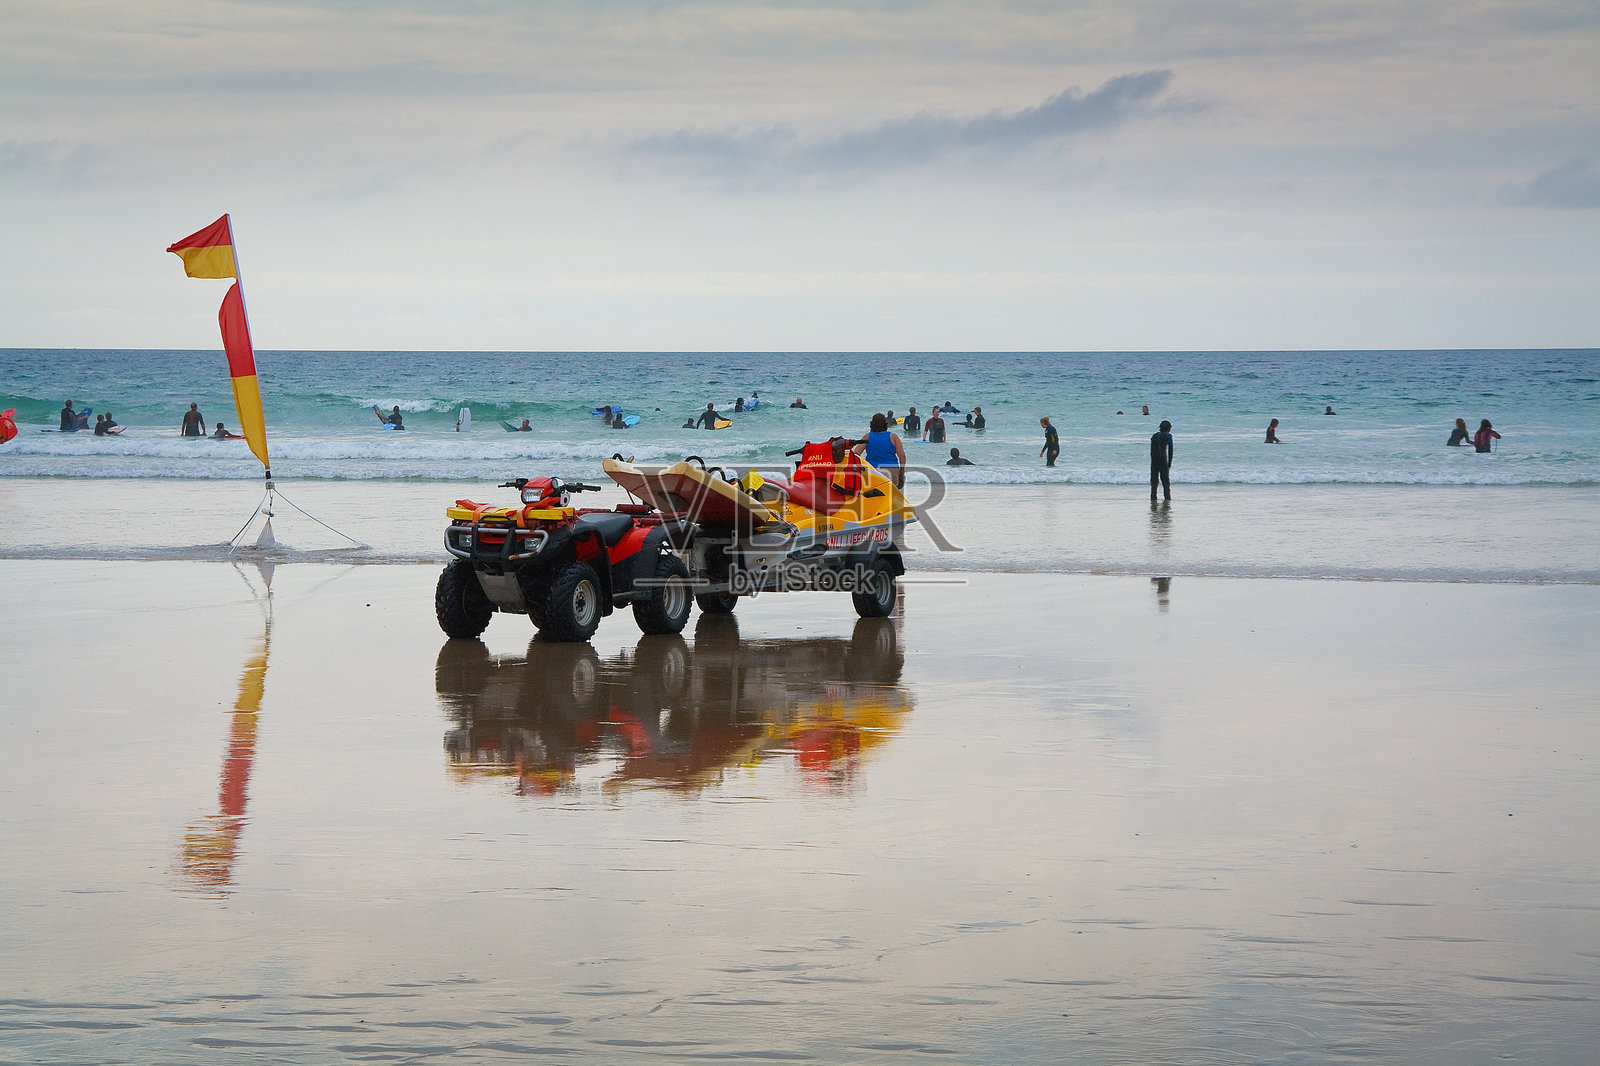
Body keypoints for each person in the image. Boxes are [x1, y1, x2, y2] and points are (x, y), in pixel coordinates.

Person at [854, 412, 906, 488]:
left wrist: (861, 466)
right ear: (885, 424)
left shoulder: (867, 437)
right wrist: (901, 471)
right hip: (891, 470)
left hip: (872, 471)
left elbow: (856, 453)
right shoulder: (893, 437)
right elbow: (902, 456)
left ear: (872, 424)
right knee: (891, 495)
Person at [1150, 419, 1174, 501]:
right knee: (1165, 482)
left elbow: (1152, 450)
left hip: (1154, 460)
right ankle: (1167, 499)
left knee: (1154, 481)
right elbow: (1170, 451)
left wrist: (1153, 459)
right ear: (1169, 428)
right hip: (1163, 460)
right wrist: (1169, 464)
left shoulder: (1154, 436)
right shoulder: (1168, 436)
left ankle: (1153, 499)